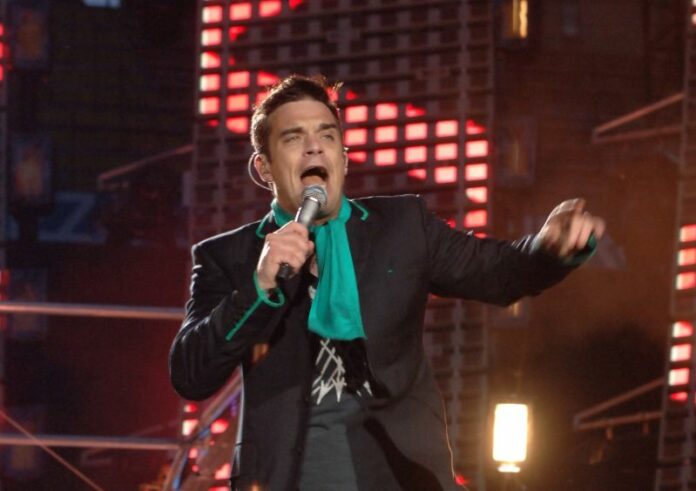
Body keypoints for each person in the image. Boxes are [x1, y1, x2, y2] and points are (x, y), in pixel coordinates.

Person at [169, 75, 605, 491]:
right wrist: (260, 284)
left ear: (342, 157)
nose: (314, 147)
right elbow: (191, 374)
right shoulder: (229, 256)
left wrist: (549, 249)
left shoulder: (401, 227)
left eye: (327, 135)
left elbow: (498, 273)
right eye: (293, 138)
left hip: (399, 479)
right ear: (263, 167)